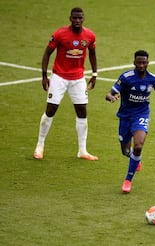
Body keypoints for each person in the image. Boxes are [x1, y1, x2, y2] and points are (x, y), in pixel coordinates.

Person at [106, 50, 155, 193]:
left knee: (138, 145)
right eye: (139, 62)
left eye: (144, 62)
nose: (142, 65)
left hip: (141, 115)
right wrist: (111, 98)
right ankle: (134, 158)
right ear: (134, 63)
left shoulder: (153, 79)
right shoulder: (126, 77)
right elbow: (109, 93)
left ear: (148, 63)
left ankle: (128, 180)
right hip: (125, 116)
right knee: (126, 151)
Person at [33, 7, 98, 161]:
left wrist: (94, 74)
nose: (77, 21)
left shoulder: (89, 35)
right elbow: (47, 54)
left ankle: (82, 150)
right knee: (51, 110)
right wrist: (44, 76)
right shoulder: (60, 34)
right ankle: (40, 146)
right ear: (70, 18)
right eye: (74, 18)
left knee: (82, 111)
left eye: (80, 18)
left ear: (83, 19)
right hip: (59, 77)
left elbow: (93, 54)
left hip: (78, 79)